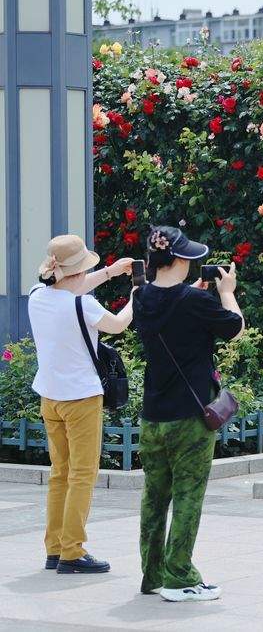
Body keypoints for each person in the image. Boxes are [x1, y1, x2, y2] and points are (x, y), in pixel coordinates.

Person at [131, 226, 244, 602]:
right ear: (180, 259)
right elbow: (235, 328)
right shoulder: (196, 302)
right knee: (188, 497)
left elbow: (168, 307)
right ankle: (180, 577)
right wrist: (227, 293)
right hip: (191, 418)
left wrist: (196, 293)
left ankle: (153, 574)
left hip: (152, 416)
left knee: (154, 497)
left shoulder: (141, 296)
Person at [28, 234, 136, 574]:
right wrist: (136, 297)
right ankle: (73, 552)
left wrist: (110, 272)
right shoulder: (84, 306)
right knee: (83, 475)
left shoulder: (36, 297)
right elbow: (118, 325)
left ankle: (55, 548)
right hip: (81, 400)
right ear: (77, 271)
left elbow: (71, 287)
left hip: (50, 398)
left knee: (60, 474)